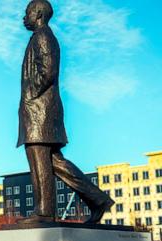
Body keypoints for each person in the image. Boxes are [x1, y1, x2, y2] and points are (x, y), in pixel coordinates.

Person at [17, 0, 114, 224]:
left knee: (40, 159)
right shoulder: (40, 37)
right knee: (55, 163)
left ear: (38, 13)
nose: (24, 18)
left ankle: (44, 211)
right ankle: (98, 200)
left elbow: (48, 72)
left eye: (27, 13)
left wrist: (30, 94)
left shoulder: (43, 36)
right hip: (41, 110)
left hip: (40, 111)